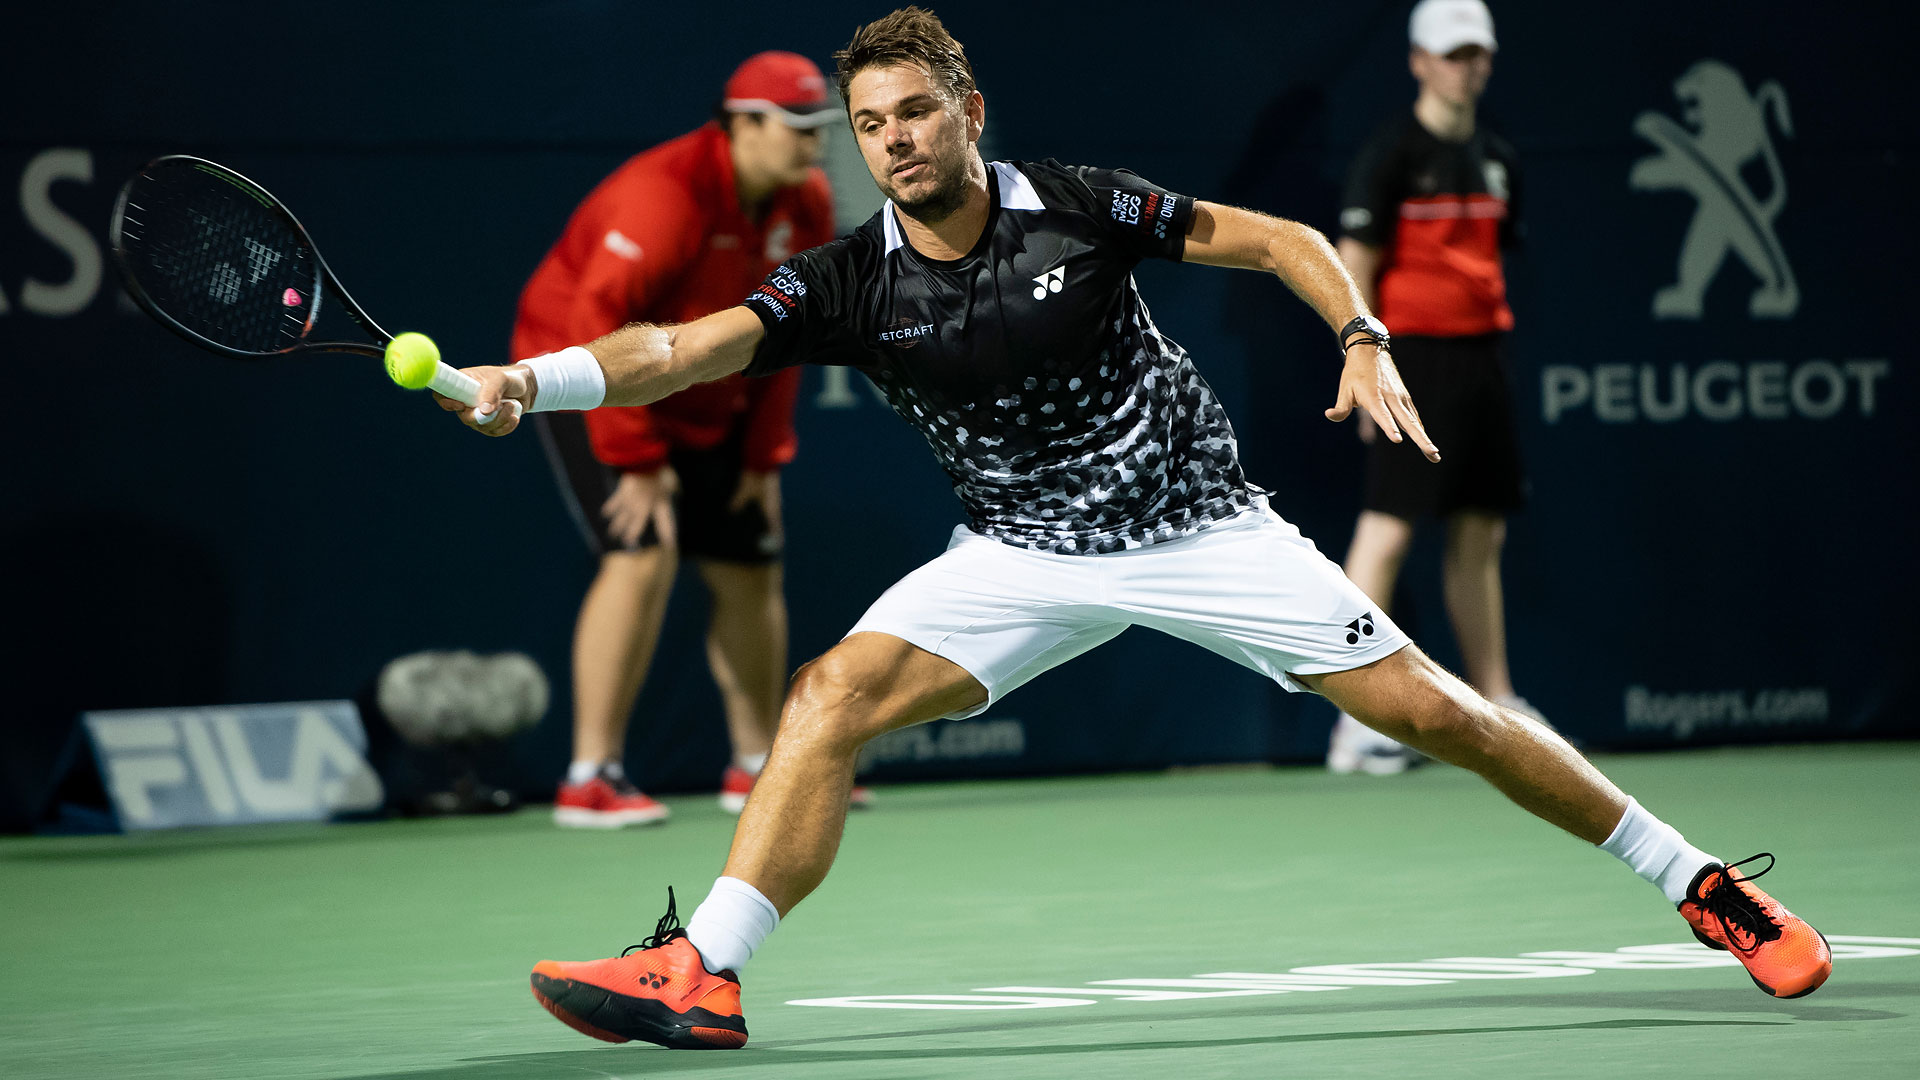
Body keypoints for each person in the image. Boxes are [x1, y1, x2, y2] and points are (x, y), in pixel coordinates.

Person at [449, 7, 1832, 1050]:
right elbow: (683, 351)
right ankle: (706, 973)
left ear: (967, 110)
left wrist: (1358, 330)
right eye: (871, 126)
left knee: (1445, 715)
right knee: (828, 699)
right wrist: (537, 381)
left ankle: (1699, 881)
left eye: (918, 113)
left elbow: (1285, 236)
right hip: (1019, 554)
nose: (895, 142)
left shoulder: (1080, 206)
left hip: (1201, 527)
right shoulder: (846, 281)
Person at [511, 51, 865, 827]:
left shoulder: (805, 202)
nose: (813, 143)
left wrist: (762, 459)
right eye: (796, 126)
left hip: (702, 388)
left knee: (748, 565)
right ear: (741, 124)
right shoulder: (662, 196)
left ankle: (755, 768)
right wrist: (635, 463)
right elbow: (592, 328)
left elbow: (790, 336)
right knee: (642, 552)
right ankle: (590, 775)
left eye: (820, 127)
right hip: (581, 377)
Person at [1325, 0, 1541, 775]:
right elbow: (1353, 266)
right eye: (1452, 54)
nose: (1466, 67)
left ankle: (1500, 701)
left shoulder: (1497, 156)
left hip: (1484, 361)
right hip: (1409, 359)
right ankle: (1356, 721)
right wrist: (1365, 363)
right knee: (1387, 529)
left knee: (1482, 530)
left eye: (1477, 53)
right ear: (1419, 61)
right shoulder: (1389, 155)